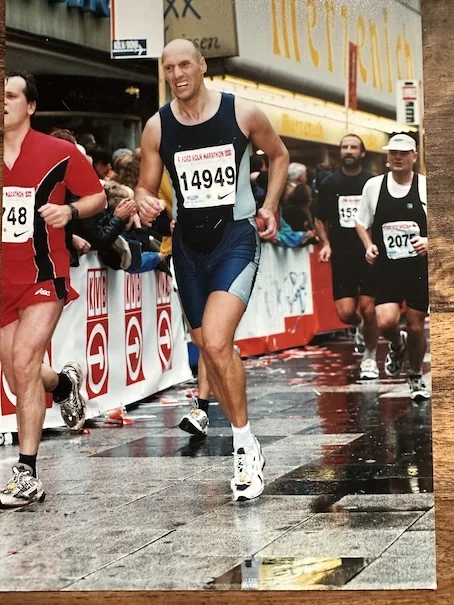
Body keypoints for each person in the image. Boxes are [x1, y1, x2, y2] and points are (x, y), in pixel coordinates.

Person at [136, 39, 289, 501]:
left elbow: (278, 156)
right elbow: (147, 189)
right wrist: (145, 202)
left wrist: (271, 205)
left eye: (186, 64)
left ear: (202, 66)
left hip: (236, 239)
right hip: (188, 246)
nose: (178, 73)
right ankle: (245, 439)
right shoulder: (156, 127)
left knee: (219, 341)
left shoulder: (242, 113)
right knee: (207, 347)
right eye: (169, 67)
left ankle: (244, 445)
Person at [1, 71, 106, 507]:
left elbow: (98, 196)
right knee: (16, 374)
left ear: (30, 106)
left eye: (9, 95)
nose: (1, 102)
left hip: (44, 276)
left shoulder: (59, 152)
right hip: (1, 283)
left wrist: (69, 211)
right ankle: (63, 386)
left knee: (25, 361)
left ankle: (26, 473)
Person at [355, 133, 429, 400]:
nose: (397, 157)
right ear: (387, 157)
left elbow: (445, 224)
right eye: (393, 153)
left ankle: (416, 376)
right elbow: (361, 222)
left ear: (414, 156)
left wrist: (429, 241)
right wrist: (368, 245)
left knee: (417, 326)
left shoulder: (425, 187)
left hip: (419, 268)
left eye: (403, 153)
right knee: (386, 322)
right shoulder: (374, 186)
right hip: (387, 267)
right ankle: (398, 345)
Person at [315, 134, 379, 380]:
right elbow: (320, 218)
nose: (349, 151)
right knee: (345, 313)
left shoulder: (372, 183)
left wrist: (374, 244)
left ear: (362, 153)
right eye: (345, 147)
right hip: (341, 255)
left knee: (368, 307)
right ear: (339, 152)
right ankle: (360, 326)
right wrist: (326, 243)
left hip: (368, 254)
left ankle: (370, 358)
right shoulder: (330, 183)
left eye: (354, 147)